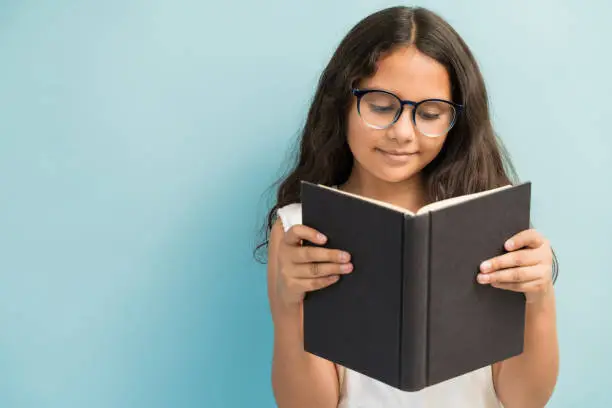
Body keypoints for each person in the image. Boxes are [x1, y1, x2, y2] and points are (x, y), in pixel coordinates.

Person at [256, 6, 559, 408]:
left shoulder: (491, 219)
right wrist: (291, 310)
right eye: (381, 106)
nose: (402, 133)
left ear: (456, 121)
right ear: (341, 103)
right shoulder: (300, 229)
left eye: (431, 114)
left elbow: (526, 400)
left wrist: (539, 301)